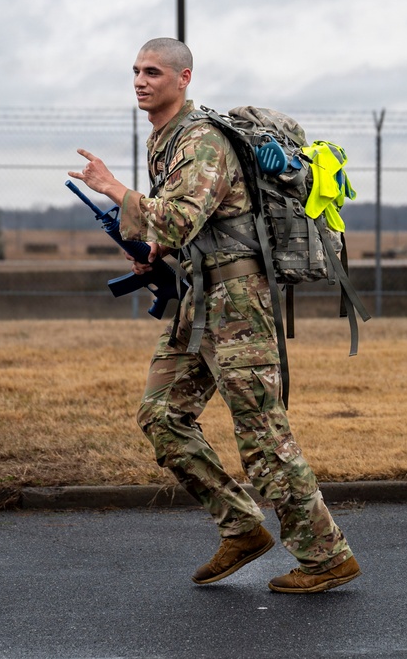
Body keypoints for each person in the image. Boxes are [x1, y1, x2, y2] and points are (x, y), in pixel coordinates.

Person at [67, 37, 360, 594]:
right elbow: (183, 230)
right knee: (162, 417)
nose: (140, 80)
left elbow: (177, 219)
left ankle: (326, 557)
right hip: (198, 302)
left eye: (152, 71)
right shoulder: (164, 139)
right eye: (135, 70)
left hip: (238, 303)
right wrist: (148, 247)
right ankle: (242, 526)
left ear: (183, 79)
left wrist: (116, 191)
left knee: (262, 433)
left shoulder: (201, 140)